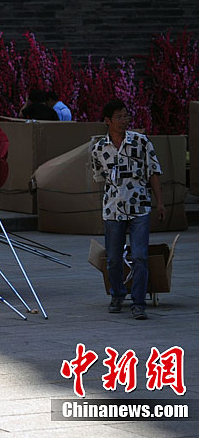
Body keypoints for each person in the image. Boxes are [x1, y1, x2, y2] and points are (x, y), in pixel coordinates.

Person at [90, 99, 166, 320]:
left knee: (140, 256)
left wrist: (159, 202)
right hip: (113, 208)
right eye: (119, 117)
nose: (124, 121)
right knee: (113, 257)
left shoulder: (141, 142)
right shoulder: (98, 149)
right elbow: (100, 179)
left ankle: (139, 302)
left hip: (139, 205)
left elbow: (153, 172)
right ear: (107, 121)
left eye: (126, 116)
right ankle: (117, 295)